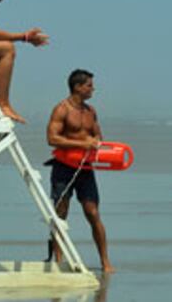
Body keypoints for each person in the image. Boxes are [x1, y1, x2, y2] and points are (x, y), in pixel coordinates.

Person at [46, 69, 114, 273]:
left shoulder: (91, 111)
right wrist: (81, 143)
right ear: (77, 87)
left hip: (85, 169)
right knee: (61, 213)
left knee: (93, 213)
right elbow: (52, 138)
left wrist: (98, 144)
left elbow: (98, 138)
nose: (93, 88)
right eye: (89, 85)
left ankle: (105, 262)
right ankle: (57, 259)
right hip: (63, 168)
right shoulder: (62, 109)